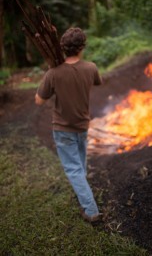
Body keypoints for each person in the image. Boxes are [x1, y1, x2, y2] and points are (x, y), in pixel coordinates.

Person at [35, 27, 102, 222]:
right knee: (80, 164)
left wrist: (51, 76)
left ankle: (91, 210)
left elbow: (39, 100)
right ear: (82, 47)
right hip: (82, 126)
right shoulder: (91, 68)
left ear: (63, 48)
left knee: (73, 169)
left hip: (63, 129)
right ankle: (84, 193)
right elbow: (97, 81)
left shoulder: (53, 73)